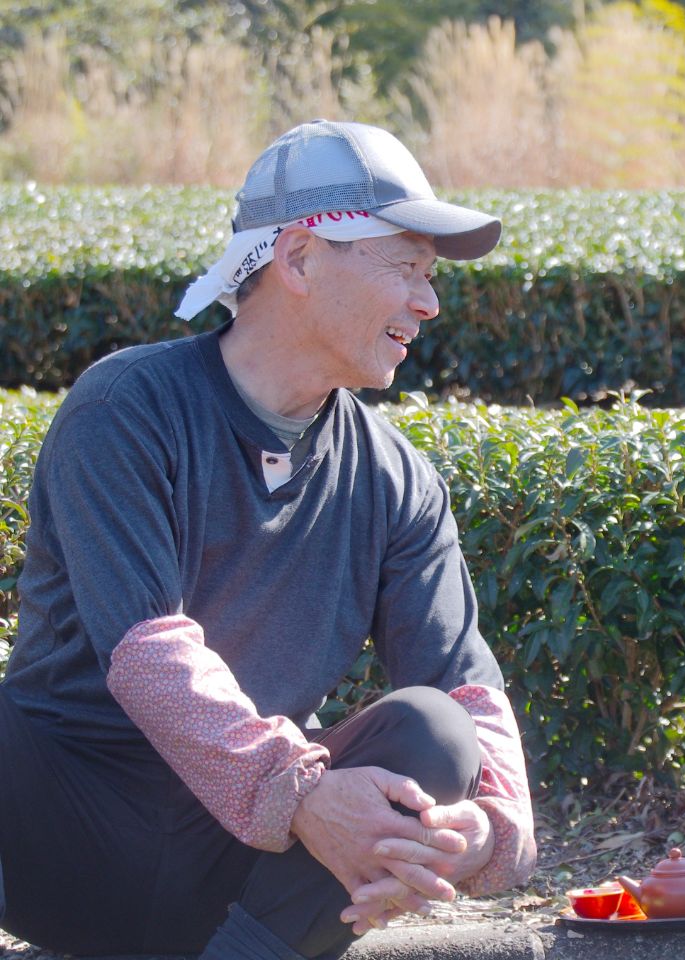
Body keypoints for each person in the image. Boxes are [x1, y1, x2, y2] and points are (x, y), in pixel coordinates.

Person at [0, 120, 536, 960]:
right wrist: (300, 790)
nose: (428, 303)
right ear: (298, 257)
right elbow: (150, 654)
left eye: (430, 276)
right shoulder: (125, 408)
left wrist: (489, 831)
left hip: (242, 874)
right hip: (65, 841)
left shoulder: (398, 478)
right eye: (405, 267)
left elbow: (465, 691)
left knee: (435, 733)